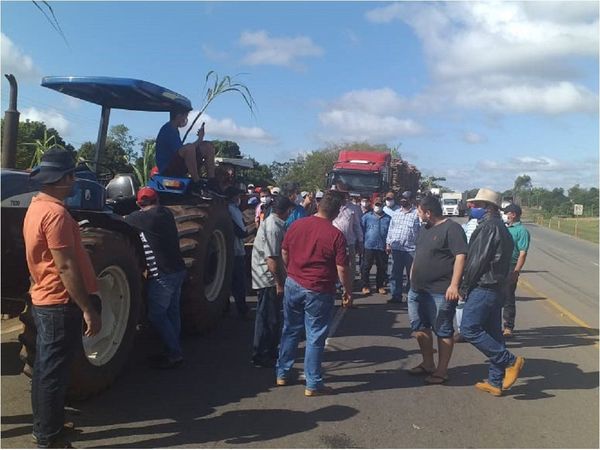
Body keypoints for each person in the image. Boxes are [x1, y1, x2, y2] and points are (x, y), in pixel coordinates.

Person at [23, 147, 102, 448]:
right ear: (63, 178)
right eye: (72, 177)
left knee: (46, 368)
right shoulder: (55, 214)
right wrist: (88, 309)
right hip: (59, 302)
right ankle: (49, 437)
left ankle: (46, 425)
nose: (74, 183)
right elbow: (66, 265)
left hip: (45, 298)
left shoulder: (36, 207)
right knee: (53, 373)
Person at [276, 190, 352, 396]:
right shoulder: (336, 235)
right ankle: (313, 383)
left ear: (319, 205)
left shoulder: (297, 225)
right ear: (336, 212)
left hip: (294, 282)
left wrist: (293, 269)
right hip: (318, 288)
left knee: (290, 329)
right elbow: (342, 268)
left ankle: (282, 373)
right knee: (315, 336)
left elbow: (284, 252)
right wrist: (347, 290)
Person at [460, 188, 525, 397]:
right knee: (494, 335)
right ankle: (496, 382)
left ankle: (511, 361)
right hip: (497, 287)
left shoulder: (488, 227)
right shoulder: (501, 228)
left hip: (484, 286)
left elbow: (477, 261)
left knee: (468, 329)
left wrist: (464, 286)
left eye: (477, 205)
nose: (473, 207)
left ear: (489, 208)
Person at [407, 196, 468, 384]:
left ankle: (442, 371)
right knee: (419, 327)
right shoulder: (425, 229)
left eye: (419, 212)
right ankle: (427, 363)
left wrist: (454, 285)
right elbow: (419, 254)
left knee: (443, 329)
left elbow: (460, 256)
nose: (418, 215)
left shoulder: (452, 228)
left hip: (440, 291)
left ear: (428, 212)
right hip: (417, 289)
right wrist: (412, 275)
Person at [125, 187, 187, 369]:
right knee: (172, 312)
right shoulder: (166, 213)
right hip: (177, 270)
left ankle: (174, 352)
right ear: (157, 200)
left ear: (138, 203)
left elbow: (121, 221)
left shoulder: (139, 218)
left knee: (157, 315)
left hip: (162, 274)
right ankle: (173, 349)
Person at [251, 196, 294, 367]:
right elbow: (272, 259)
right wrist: (279, 283)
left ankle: (270, 350)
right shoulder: (273, 227)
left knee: (273, 317)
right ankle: (260, 354)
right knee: (267, 318)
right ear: (285, 211)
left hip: (271, 276)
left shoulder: (276, 224)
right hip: (268, 278)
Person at [155, 110, 216, 191]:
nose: (186, 119)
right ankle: (196, 181)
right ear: (178, 116)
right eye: (185, 116)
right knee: (189, 148)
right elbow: (183, 150)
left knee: (207, 146)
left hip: (177, 165)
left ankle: (212, 181)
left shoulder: (175, 130)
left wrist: (200, 139)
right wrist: (199, 139)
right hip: (167, 169)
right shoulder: (168, 130)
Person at [454, 201, 485, 342]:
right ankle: (472, 328)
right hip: (477, 267)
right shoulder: (485, 226)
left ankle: (463, 330)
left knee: (462, 298)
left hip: (467, 265)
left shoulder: (466, 227)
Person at [385, 191, 420, 304]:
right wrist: (388, 243)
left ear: (411, 200)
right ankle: (396, 295)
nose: (403, 200)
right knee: (395, 274)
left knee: (411, 275)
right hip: (397, 249)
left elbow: (420, 232)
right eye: (402, 198)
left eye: (406, 198)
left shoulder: (417, 214)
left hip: (411, 250)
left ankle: (411, 296)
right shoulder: (396, 213)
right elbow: (391, 229)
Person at [502, 203, 531, 338]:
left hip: (510, 266)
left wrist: (516, 271)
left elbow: (523, 253)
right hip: (498, 266)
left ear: (513, 215)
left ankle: (508, 326)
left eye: (507, 213)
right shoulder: (505, 227)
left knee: (508, 296)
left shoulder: (522, 231)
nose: (506, 215)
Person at [332, 187, 363, 304]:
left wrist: (360, 241)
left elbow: (357, 226)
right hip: (333, 242)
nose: (343, 196)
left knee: (349, 267)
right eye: (341, 194)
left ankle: (347, 290)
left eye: (345, 194)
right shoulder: (333, 206)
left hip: (349, 242)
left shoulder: (353, 208)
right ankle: (335, 288)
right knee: (334, 267)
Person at [225, 186, 249, 318]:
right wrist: (245, 232)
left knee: (231, 281)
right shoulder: (231, 210)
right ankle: (242, 310)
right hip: (236, 250)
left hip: (235, 249)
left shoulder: (233, 209)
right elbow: (241, 231)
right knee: (238, 282)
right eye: (237, 195)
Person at [360, 197, 391, 295]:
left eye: (380, 205)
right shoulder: (366, 217)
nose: (378, 207)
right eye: (376, 205)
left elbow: (390, 232)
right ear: (373, 205)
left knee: (381, 267)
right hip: (369, 245)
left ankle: (380, 286)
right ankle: (365, 286)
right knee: (366, 267)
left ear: (383, 206)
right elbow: (361, 229)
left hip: (382, 246)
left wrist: (388, 244)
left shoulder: (388, 218)